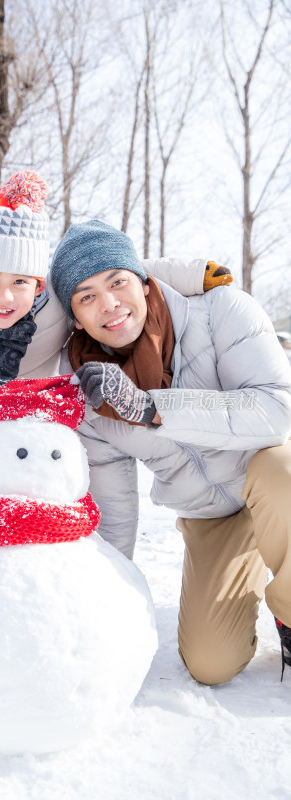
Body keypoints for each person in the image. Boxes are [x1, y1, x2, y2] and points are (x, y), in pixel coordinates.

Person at [49, 219, 291, 686]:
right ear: (76, 317)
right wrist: (105, 602)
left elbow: (277, 410)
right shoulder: (87, 393)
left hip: (273, 474)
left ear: (144, 282)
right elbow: (114, 511)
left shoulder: (221, 310)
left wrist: (151, 407)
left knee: (281, 471)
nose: (110, 304)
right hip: (213, 514)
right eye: (87, 296)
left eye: (117, 282)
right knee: (210, 663)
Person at [0, 170, 231, 479]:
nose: (6, 296)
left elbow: (116, 272)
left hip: (38, 443)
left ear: (39, 285)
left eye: (20, 281)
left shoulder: (55, 305)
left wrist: (191, 273)